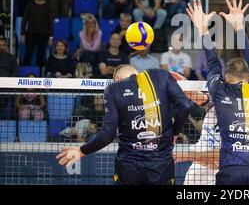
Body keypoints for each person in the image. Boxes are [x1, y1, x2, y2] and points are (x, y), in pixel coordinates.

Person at [57, 64, 191, 185]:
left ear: (118, 78)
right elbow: (185, 106)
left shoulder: (113, 89)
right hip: (161, 165)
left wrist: (81, 151)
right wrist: (175, 132)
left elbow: (106, 136)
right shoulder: (161, 75)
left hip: (128, 167)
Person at [187, 0, 249, 185]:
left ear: (226, 78)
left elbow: (212, 61)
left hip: (230, 168)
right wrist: (239, 26)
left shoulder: (219, 91)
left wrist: (202, 28)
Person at [21, 0, 53, 68]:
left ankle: (39, 75)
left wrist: (51, 37)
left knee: (41, 55)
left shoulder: (48, 6)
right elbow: (24, 20)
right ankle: (25, 74)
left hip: (43, 34)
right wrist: (22, 34)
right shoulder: (29, 5)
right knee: (28, 54)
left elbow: (51, 22)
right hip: (31, 33)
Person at [0, 37, 18, 120]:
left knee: (4, 97)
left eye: (3, 45)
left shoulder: (11, 58)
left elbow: (15, 72)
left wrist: (7, 81)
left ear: (7, 46)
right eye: (0, 45)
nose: (2, 47)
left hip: (6, 86)